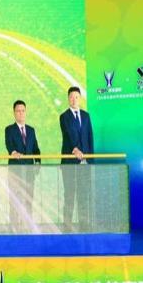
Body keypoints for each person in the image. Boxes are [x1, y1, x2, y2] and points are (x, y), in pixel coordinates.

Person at [59, 86, 94, 232]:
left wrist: (91, 160)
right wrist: (75, 149)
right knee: (69, 195)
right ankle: (67, 226)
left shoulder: (86, 116)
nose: (74, 99)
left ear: (80, 98)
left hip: (84, 164)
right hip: (69, 164)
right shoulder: (64, 117)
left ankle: (84, 225)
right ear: (68, 99)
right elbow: (68, 135)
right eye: (71, 97)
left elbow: (90, 137)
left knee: (83, 195)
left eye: (76, 97)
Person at [5, 100, 41, 232]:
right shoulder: (9, 130)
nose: (20, 113)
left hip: (29, 172)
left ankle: (28, 227)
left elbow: (36, 149)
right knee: (14, 201)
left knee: (28, 200)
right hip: (15, 172)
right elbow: (9, 145)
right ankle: (14, 229)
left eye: (23, 111)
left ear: (25, 112)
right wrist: (13, 152)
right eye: (18, 111)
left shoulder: (31, 130)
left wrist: (38, 162)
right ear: (14, 113)